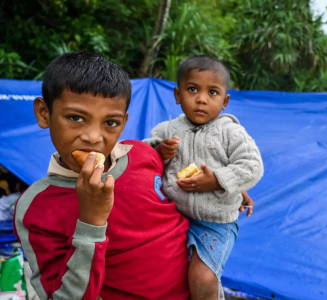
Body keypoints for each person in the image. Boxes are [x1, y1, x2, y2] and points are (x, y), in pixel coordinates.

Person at [14, 51, 191, 300]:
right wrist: (91, 222)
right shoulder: (36, 208)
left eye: (110, 123)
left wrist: (221, 189)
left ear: (124, 122)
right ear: (44, 113)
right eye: (75, 118)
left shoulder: (141, 154)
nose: (93, 138)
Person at [145, 55, 264, 300]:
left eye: (212, 92)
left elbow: (252, 165)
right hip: (171, 218)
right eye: (192, 89)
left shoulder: (230, 132)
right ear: (178, 95)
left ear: (224, 101)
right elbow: (142, 158)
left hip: (215, 223)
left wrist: (219, 181)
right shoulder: (166, 131)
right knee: (163, 275)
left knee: (202, 278)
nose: (201, 98)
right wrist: (158, 151)